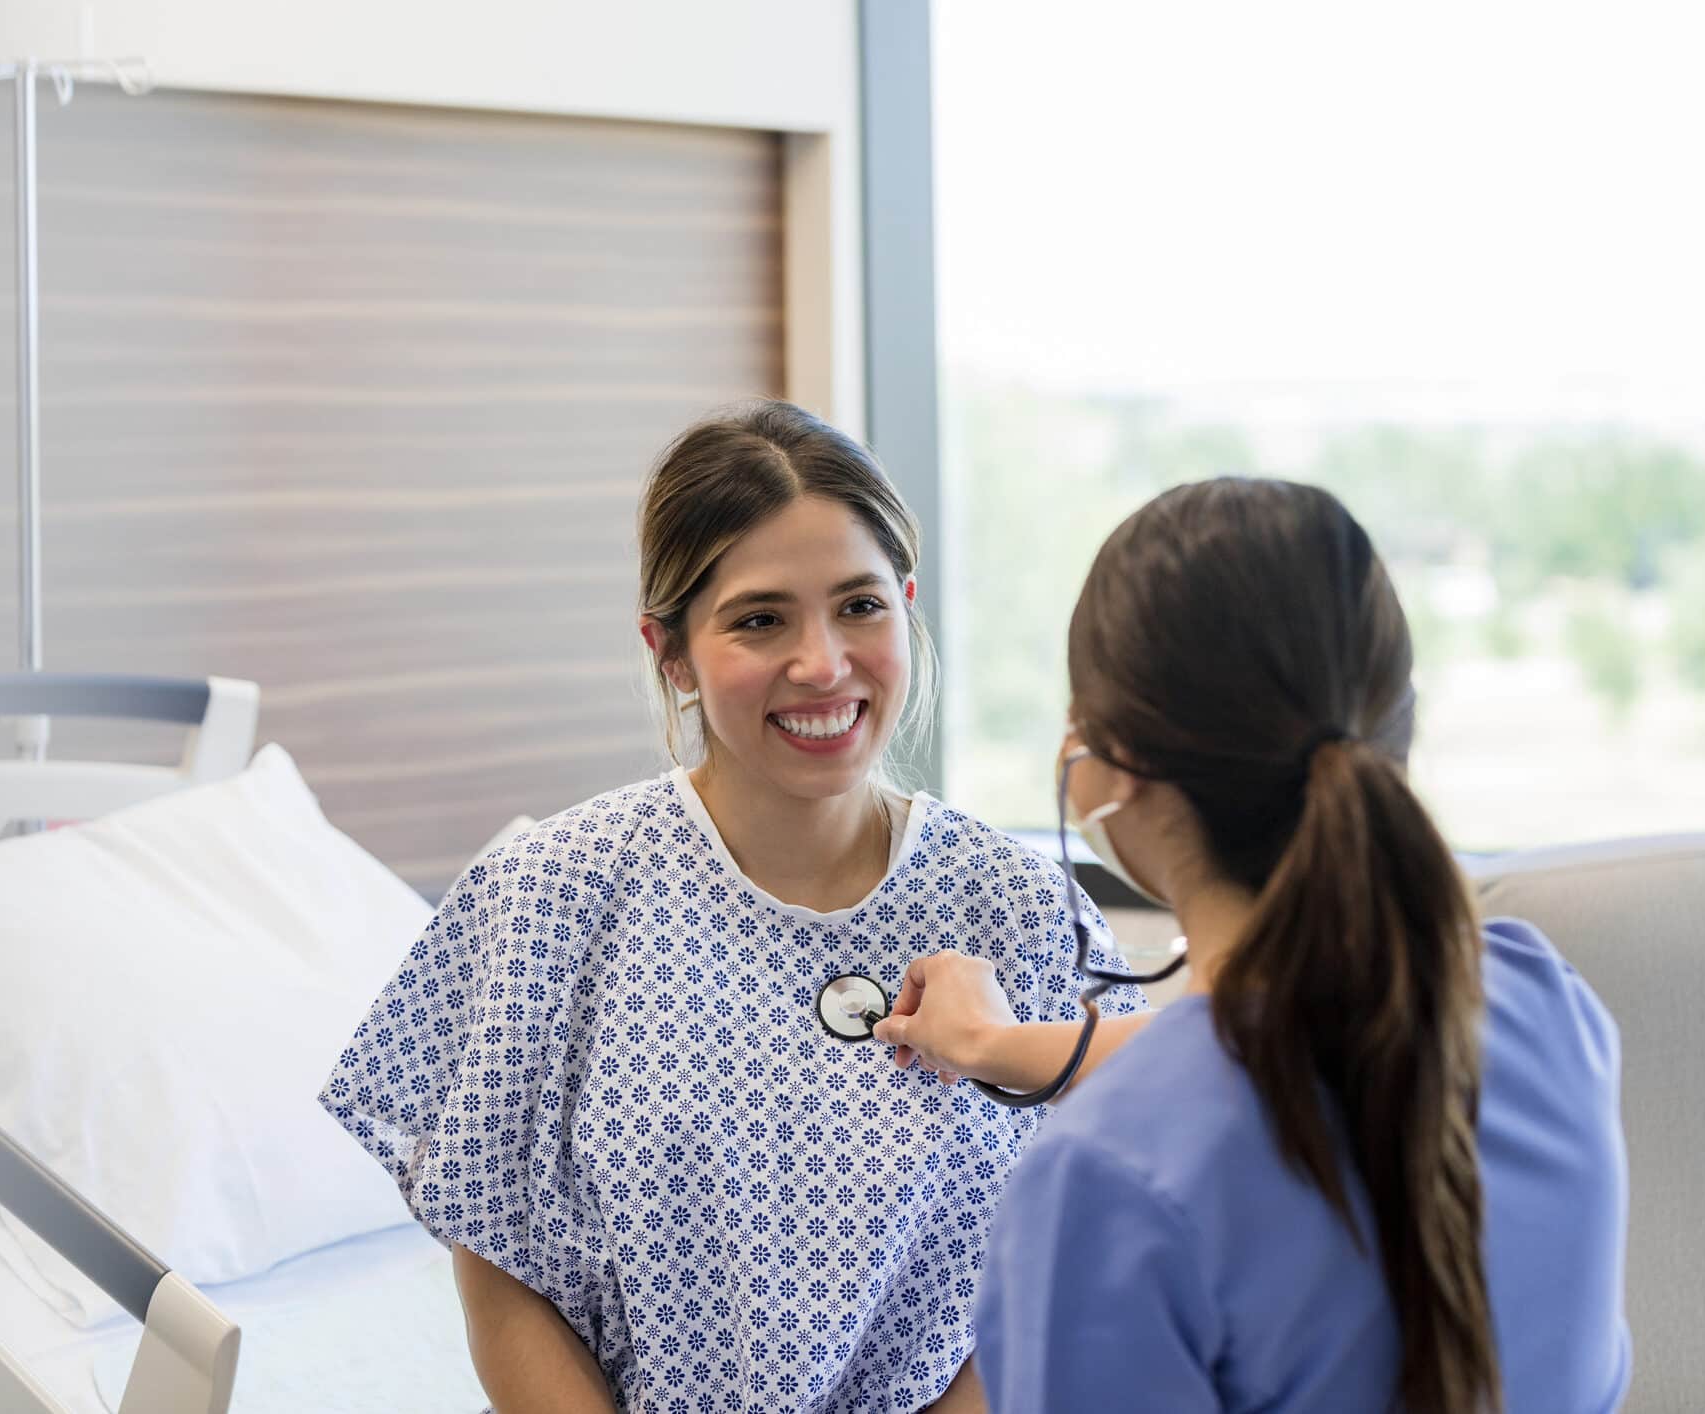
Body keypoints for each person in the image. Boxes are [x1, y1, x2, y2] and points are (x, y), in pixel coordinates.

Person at [320, 400, 1141, 1414]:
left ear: (907, 605)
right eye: (760, 619)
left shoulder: (1016, 905)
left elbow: (1083, 1246)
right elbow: (499, 1269)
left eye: (860, 606)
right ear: (671, 653)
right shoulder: (551, 895)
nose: (823, 664)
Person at [875, 478, 1632, 1413]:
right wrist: (995, 1045)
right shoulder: (1543, 1006)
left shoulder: (1106, 1177)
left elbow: (1218, 1091)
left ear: (1106, 773)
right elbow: (1276, 1053)